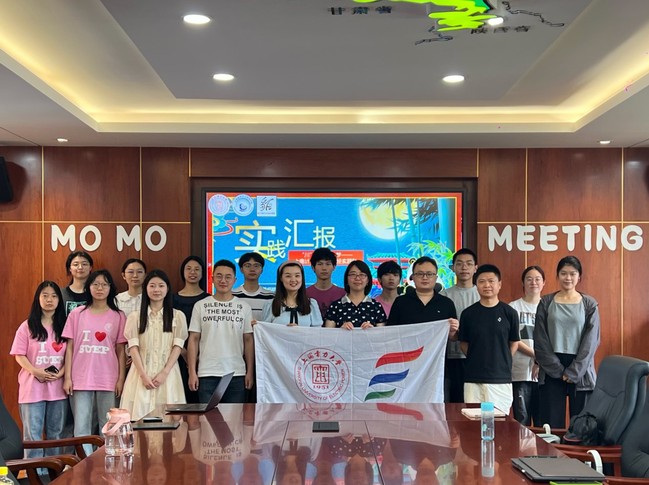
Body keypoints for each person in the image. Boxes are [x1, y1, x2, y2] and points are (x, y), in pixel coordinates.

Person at [62, 270, 127, 448]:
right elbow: (69, 348)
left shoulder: (118, 316)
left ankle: (107, 460)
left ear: (110, 288)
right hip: (80, 378)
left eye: (104, 284)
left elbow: (120, 350)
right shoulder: (77, 314)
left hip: (108, 378)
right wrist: (67, 378)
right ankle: (85, 461)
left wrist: (121, 379)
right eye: (95, 284)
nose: (100, 288)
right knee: (81, 426)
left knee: (109, 426)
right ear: (88, 287)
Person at [534, 255, 600, 428]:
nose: (568, 278)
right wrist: (557, 370)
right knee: (551, 426)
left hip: (580, 369)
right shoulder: (546, 302)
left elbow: (591, 341)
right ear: (557, 275)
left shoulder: (589, 304)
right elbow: (540, 339)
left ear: (579, 277)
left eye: (572, 273)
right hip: (551, 368)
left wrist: (574, 371)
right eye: (563, 273)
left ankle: (578, 449)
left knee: (581, 426)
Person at [10, 281, 68, 461]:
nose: (49, 300)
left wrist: (61, 373)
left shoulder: (65, 326)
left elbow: (72, 355)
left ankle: (54, 472)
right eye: (45, 295)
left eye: (54, 296)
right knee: (32, 436)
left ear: (59, 300)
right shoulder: (27, 326)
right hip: (32, 390)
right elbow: (19, 355)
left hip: (58, 390)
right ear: (38, 299)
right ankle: (34, 473)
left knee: (56, 435)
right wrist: (35, 371)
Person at [120, 270, 188, 421]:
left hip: (168, 375)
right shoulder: (135, 317)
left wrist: (164, 372)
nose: (156, 290)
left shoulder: (177, 316)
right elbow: (133, 348)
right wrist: (143, 376)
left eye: (161, 286)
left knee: (170, 421)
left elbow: (177, 347)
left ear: (167, 288)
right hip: (140, 375)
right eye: (152, 286)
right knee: (138, 421)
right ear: (145, 289)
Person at [187, 259, 254, 403]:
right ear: (212, 279)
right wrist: (192, 372)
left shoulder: (244, 307)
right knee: (207, 417)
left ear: (235, 280)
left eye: (228, 277)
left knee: (236, 416)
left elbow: (248, 340)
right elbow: (193, 339)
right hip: (207, 373)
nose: (223, 280)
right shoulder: (200, 305)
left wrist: (250, 371)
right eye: (219, 276)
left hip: (236, 374)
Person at [459, 264, 520, 415]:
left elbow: (514, 343)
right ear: (476, 285)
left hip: (500, 379)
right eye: (482, 281)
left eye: (491, 281)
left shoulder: (510, 313)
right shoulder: (468, 314)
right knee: (473, 422)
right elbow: (464, 344)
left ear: (499, 284)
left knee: (499, 422)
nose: (487, 285)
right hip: (473, 378)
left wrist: (502, 359)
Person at [440, 248, 480, 403]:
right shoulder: (444, 296)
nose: (464, 268)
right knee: (454, 400)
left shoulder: (483, 294)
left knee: (474, 401)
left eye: (469, 264)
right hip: (451, 356)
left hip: (476, 356)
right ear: (453, 267)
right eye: (460, 264)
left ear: (475, 268)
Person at [387, 257, 458, 338]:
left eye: (429, 274)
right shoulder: (400, 302)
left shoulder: (446, 303)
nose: (425, 277)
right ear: (413, 277)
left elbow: (453, 337)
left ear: (436, 278)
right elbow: (390, 332)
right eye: (420, 274)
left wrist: (453, 331)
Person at [509, 265, 545, 426]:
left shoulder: (549, 307)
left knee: (542, 422)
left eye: (537, 279)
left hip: (544, 372)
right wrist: (536, 356)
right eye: (529, 279)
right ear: (523, 283)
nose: (533, 282)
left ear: (544, 282)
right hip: (519, 372)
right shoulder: (513, 307)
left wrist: (540, 361)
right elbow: (513, 338)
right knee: (521, 421)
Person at [173, 256, 209, 404]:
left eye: (197, 269)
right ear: (183, 272)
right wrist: (184, 352)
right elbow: (168, 329)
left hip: (204, 357)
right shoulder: (172, 299)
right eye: (188, 269)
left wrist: (197, 355)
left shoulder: (209, 300)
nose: (192, 272)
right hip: (176, 356)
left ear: (202, 273)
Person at [324, 260, 386, 330]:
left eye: (362, 275)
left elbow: (383, 334)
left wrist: (372, 331)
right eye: (353, 274)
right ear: (347, 279)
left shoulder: (376, 306)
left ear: (368, 280)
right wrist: (340, 331)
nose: (357, 278)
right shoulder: (335, 306)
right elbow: (328, 334)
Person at [261, 260, 322, 326]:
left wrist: (299, 330)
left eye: (297, 276)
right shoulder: (270, 305)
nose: (293, 280)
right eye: (288, 276)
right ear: (281, 278)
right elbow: (265, 329)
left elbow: (317, 330)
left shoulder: (311, 304)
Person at [306, 247, 346, 322]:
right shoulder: (305, 294)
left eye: (328, 264)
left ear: (334, 267)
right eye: (320, 264)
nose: (324, 268)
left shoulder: (343, 294)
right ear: (313, 267)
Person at [232, 252, 274, 322]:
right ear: (241, 269)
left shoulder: (271, 297)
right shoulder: (232, 295)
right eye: (248, 266)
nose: (252, 269)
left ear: (262, 270)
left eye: (256, 266)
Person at [61, 251, 94, 316]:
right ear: (70, 268)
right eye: (76, 264)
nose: (80, 267)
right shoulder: (61, 294)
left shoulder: (96, 293)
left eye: (84, 264)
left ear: (90, 267)